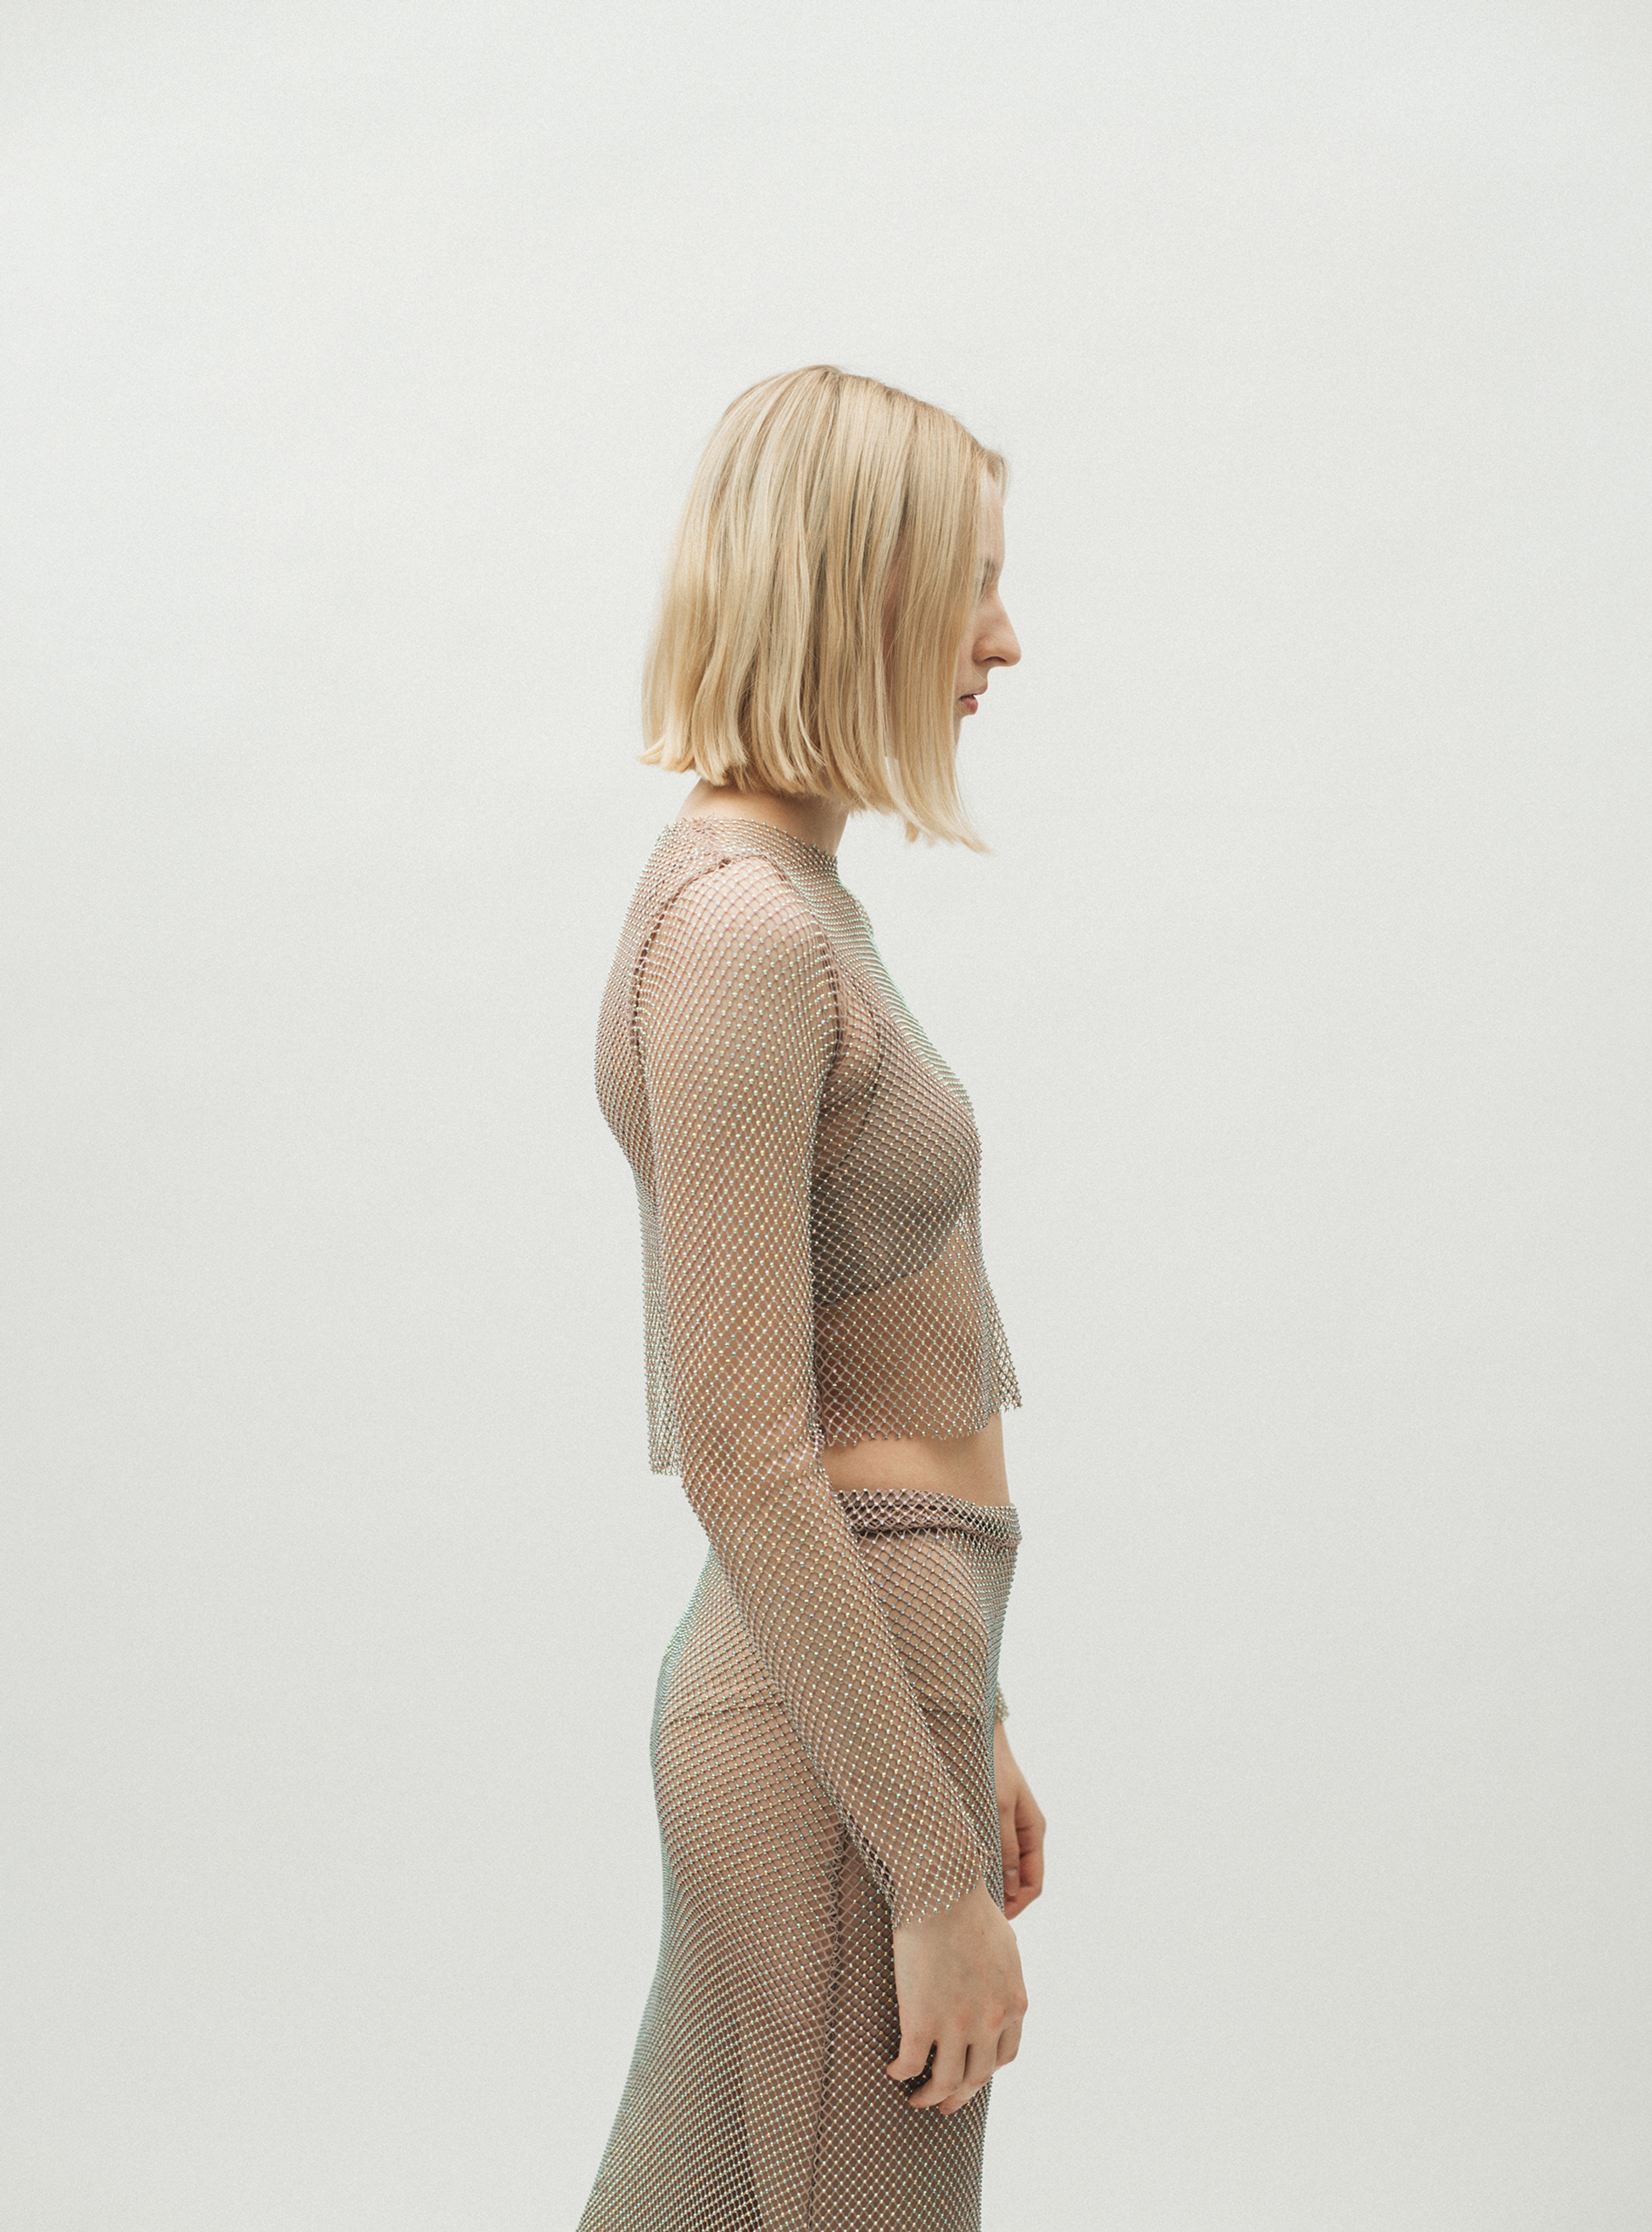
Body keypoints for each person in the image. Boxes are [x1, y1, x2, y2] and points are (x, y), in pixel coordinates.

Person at [581, 364, 1047, 2231]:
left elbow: (866, 1367)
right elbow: (751, 1452)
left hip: (861, 1701)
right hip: (822, 1742)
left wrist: (971, 1722)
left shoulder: (785, 899)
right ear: (860, 590)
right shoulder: (743, 936)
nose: (1004, 639)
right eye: (974, 582)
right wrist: (927, 1871)